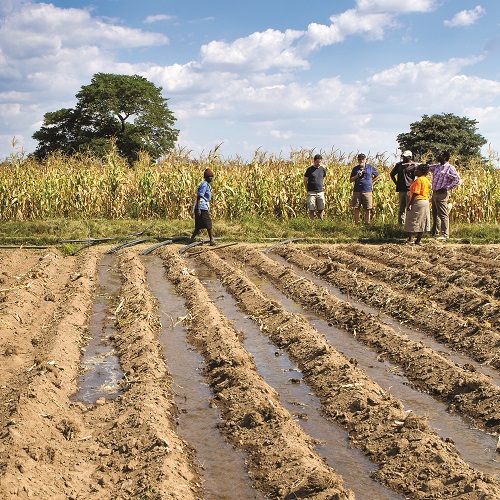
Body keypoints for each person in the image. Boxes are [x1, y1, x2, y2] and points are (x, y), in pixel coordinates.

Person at [429, 151, 461, 240]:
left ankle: (445, 234)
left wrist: (447, 188)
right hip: (435, 193)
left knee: (443, 214)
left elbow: (457, 180)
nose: (438, 156)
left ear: (445, 157)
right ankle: (435, 232)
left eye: (440, 155)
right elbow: (425, 166)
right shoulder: (436, 167)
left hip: (442, 194)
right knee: (435, 214)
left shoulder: (449, 168)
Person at [349, 153, 380, 224]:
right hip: (357, 191)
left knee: (368, 208)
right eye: (359, 159)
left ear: (365, 159)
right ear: (358, 160)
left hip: (367, 191)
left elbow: (378, 176)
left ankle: (367, 223)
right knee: (356, 208)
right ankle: (357, 223)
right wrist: (357, 176)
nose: (361, 160)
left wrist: (371, 181)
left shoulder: (370, 167)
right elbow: (351, 180)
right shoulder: (355, 169)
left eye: (363, 159)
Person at [405, 164, 431, 245]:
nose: (415, 171)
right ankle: (419, 240)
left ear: (421, 171)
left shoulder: (419, 180)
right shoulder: (426, 180)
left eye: (417, 170)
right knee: (422, 220)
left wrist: (410, 204)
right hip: (425, 201)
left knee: (413, 219)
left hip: (418, 201)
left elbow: (416, 193)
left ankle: (411, 239)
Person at [190, 168, 216, 245]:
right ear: (206, 177)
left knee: (198, 225)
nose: (211, 179)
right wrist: (198, 208)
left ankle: (191, 239)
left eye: (212, 177)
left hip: (202, 206)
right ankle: (211, 240)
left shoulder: (206, 184)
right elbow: (199, 196)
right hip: (201, 206)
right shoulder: (204, 184)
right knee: (208, 223)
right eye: (210, 177)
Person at [390, 150, 416, 224]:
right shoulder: (399, 165)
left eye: (405, 157)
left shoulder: (413, 166)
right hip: (401, 189)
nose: (403, 158)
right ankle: (401, 224)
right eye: (403, 156)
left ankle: (409, 224)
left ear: (409, 157)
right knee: (401, 208)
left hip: (409, 189)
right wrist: (396, 183)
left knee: (409, 207)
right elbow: (392, 174)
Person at [303, 154, 326, 219]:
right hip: (311, 192)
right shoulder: (309, 170)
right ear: (314, 161)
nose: (319, 163)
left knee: (321, 209)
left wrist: (322, 186)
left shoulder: (322, 169)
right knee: (311, 209)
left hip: (320, 192)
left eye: (320, 162)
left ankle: (320, 223)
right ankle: (311, 224)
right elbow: (305, 181)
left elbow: (323, 179)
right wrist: (307, 189)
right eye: (317, 162)